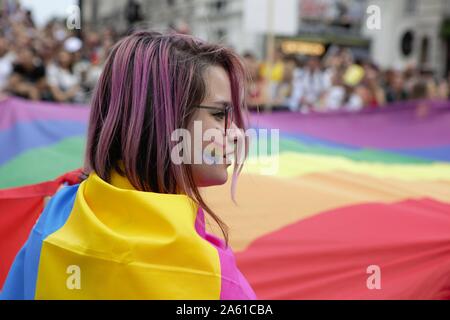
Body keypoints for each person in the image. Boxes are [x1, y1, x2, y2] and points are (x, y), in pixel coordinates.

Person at [1, 31, 256, 300]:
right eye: (219, 114)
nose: (237, 133)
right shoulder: (212, 273)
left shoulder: (54, 216)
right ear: (164, 120)